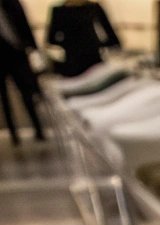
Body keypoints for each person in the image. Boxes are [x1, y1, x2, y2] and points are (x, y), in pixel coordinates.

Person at [0, 0, 45, 143]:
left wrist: (32, 47)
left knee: (27, 93)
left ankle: (38, 129)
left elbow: (23, 24)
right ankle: (13, 133)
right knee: (5, 99)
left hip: (18, 54)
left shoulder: (12, 3)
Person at [45, 0, 119, 78]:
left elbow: (111, 37)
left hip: (85, 58)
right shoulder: (60, 11)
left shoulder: (93, 7)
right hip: (78, 59)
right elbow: (51, 38)